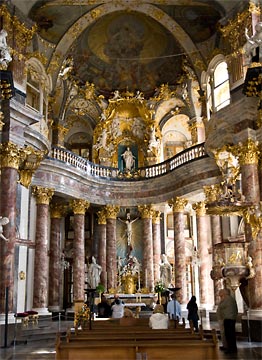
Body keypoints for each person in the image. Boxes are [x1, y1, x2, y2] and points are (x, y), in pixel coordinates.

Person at [216, 288, 238, 354]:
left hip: (229, 319)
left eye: (221, 293)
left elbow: (221, 307)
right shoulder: (227, 299)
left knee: (230, 335)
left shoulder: (227, 299)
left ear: (225, 293)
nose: (220, 294)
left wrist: (221, 301)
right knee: (228, 334)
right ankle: (228, 347)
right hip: (227, 319)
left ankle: (231, 349)